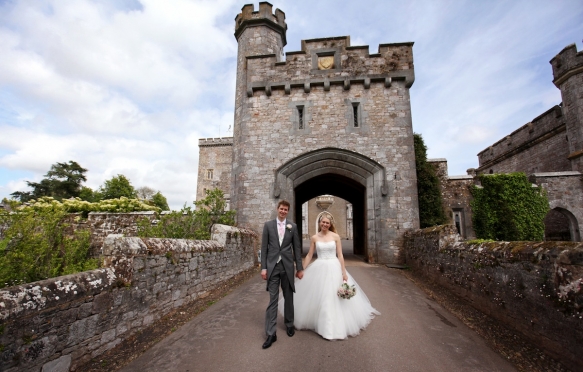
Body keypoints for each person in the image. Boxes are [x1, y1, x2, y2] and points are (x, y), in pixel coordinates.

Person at [280, 214, 380, 340]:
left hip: (334, 267)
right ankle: (323, 325)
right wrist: (301, 269)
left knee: (333, 296)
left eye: (327, 223)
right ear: (320, 223)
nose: (325, 224)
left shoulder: (336, 236)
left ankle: (333, 327)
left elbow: (340, 255)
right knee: (322, 296)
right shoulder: (315, 237)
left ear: (330, 224)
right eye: (323, 222)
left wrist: (343, 272)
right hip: (319, 267)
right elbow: (310, 255)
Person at [260, 200, 304, 349]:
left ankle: (289, 324)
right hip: (272, 267)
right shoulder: (268, 225)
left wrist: (299, 268)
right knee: (273, 299)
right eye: (281, 209)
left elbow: (297, 249)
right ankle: (271, 333)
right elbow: (264, 248)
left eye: (286, 209)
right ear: (277, 209)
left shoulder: (293, 227)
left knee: (288, 296)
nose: (283, 211)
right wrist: (263, 268)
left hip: (287, 267)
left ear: (288, 211)